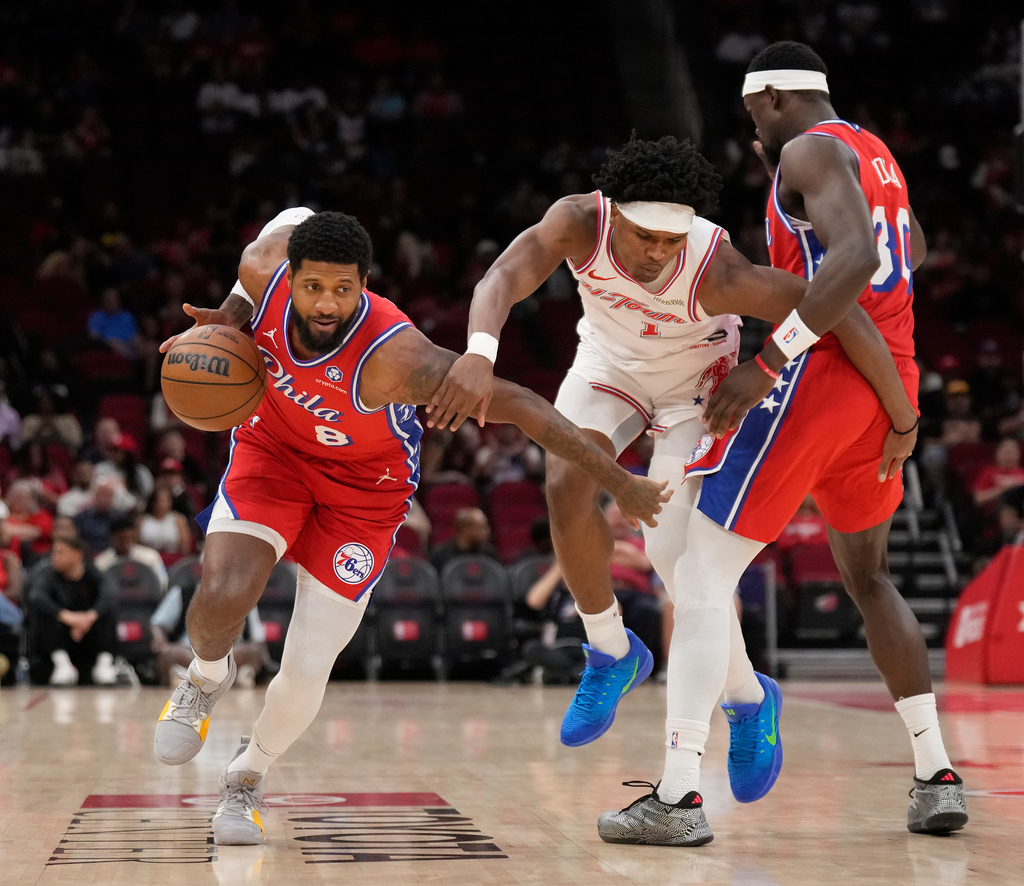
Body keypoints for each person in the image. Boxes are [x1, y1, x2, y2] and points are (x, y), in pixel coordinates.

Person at [151, 208, 671, 847]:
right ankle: (205, 675)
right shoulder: (262, 268)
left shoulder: (398, 357)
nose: (326, 303)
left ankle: (247, 776)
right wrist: (234, 309)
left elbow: (531, 411)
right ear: (288, 276)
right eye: (313, 286)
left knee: (308, 666)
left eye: (345, 289)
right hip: (273, 456)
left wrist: (621, 483)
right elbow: (293, 216)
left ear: (363, 284)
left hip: (363, 495)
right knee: (221, 598)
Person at [428, 133, 916, 758]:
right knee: (564, 483)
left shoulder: (716, 267)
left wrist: (776, 365)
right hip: (610, 365)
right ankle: (610, 651)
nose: (659, 252)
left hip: (698, 382)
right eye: (645, 238)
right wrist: (479, 351)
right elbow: (503, 275)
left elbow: (835, 306)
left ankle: (747, 699)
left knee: (672, 555)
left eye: (670, 240)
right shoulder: (577, 221)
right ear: (615, 212)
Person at [598, 41, 967, 845]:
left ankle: (678, 794)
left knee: (699, 575)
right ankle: (935, 773)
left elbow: (858, 258)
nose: (753, 135)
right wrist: (901, 409)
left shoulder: (805, 148)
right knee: (871, 581)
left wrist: (770, 360)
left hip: (821, 376)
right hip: (885, 378)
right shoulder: (879, 156)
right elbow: (912, 253)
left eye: (749, 115)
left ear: (768, 98)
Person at [26, 534, 119, 686]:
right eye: (54, 552)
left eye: (61, 552)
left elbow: (110, 594)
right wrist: (67, 616)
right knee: (42, 612)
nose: (55, 557)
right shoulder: (47, 574)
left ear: (78, 554)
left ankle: (104, 664)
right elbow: (37, 596)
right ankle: (62, 665)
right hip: (60, 637)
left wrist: (90, 616)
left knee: (108, 610)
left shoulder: (93, 573)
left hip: (89, 637)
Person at [94, 511, 169, 593]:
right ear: (112, 539)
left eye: (129, 539)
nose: (126, 544)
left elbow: (163, 581)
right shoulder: (101, 563)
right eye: (122, 540)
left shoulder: (151, 556)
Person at [428, 506, 499, 573]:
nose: (487, 531)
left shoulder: (489, 555)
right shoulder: (440, 556)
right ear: (465, 529)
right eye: (481, 528)